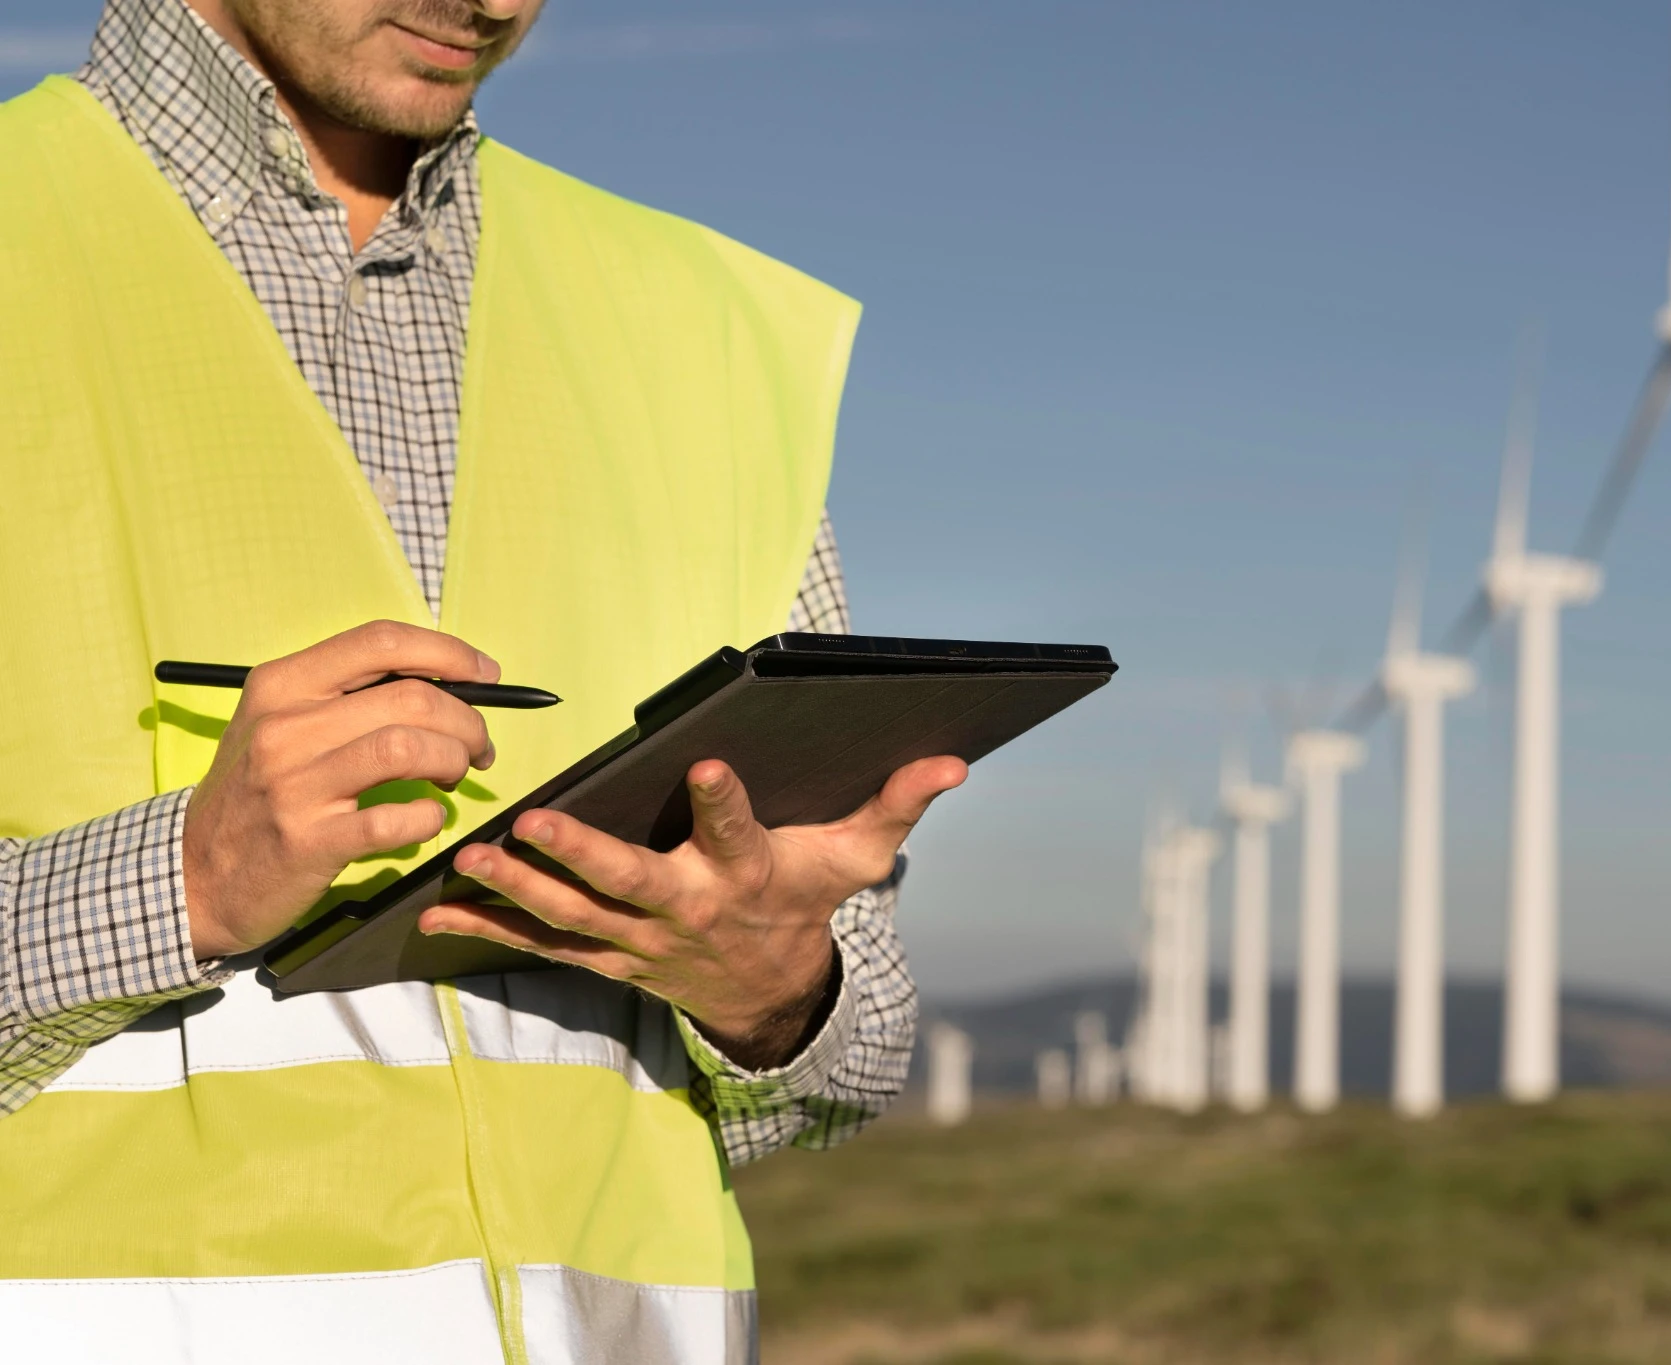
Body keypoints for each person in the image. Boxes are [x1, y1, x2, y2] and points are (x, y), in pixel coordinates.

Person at [0, 1, 964, 1360]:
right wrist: (181, 884)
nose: (494, 4)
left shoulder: (704, 326)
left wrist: (772, 986)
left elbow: (841, 1071)